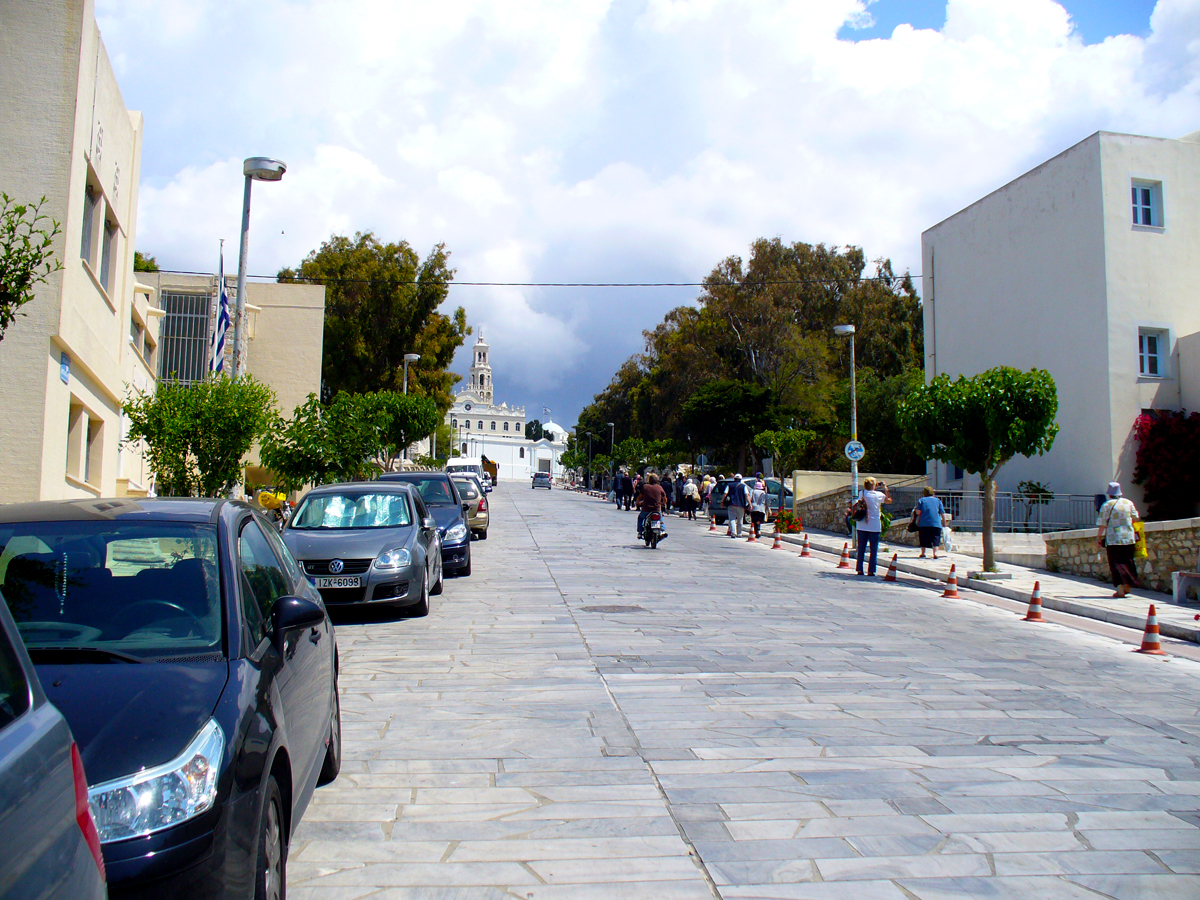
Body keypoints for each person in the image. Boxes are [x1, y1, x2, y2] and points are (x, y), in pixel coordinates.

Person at [1096, 481, 1141, 598]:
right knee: (1128, 561)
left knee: (1115, 563)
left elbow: (1102, 524)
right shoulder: (1128, 503)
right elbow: (1136, 517)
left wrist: (1099, 538)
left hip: (1113, 538)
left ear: (1109, 494)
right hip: (1129, 538)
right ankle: (1129, 585)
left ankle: (1120, 589)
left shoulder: (1106, 505)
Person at [849, 477, 892, 576]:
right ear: (874, 485)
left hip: (862, 525)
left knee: (861, 548)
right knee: (873, 549)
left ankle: (859, 569)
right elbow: (889, 500)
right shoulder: (879, 495)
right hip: (874, 525)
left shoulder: (862, 493)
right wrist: (885, 489)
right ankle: (871, 570)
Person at [913, 486, 946, 559]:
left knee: (923, 538)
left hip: (924, 523)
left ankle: (923, 553)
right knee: (936, 538)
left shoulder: (921, 500)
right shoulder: (938, 501)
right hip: (936, 523)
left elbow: (918, 512)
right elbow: (942, 513)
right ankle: (935, 554)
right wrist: (944, 522)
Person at [637, 473, 668, 541]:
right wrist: (662, 503)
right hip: (656, 509)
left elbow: (640, 497)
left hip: (646, 509)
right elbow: (665, 499)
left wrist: (638, 502)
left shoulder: (645, 487)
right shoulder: (659, 487)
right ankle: (663, 531)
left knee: (640, 518)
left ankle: (640, 532)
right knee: (661, 520)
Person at [726, 474, 749, 538]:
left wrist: (723, 501)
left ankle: (733, 533)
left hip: (731, 504)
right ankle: (739, 533)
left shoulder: (729, 485)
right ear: (741, 479)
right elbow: (746, 495)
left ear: (734, 479)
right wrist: (749, 503)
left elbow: (725, 493)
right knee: (740, 519)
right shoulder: (743, 486)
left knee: (732, 519)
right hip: (741, 504)